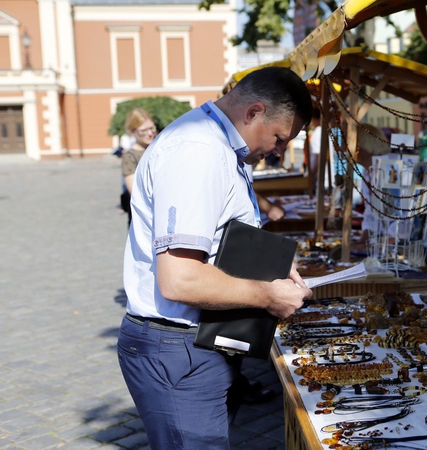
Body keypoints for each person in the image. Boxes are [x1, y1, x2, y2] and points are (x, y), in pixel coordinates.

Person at [117, 66, 314, 449]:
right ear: (254, 112)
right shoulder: (198, 151)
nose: (279, 151)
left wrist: (268, 264)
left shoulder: (216, 145)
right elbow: (180, 279)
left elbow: (218, 237)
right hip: (178, 347)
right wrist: (268, 295)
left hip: (195, 344)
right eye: (279, 138)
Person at [354, 124, 427, 265]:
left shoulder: (391, 166)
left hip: (426, 234)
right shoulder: (368, 171)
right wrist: (361, 243)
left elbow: (407, 215)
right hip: (402, 237)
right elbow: (371, 214)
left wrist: (387, 241)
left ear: (359, 147)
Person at [120, 108, 156, 226]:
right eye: (143, 130)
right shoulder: (130, 157)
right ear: (132, 131)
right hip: (144, 220)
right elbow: (136, 193)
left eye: (151, 128)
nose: (150, 133)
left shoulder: (158, 149)